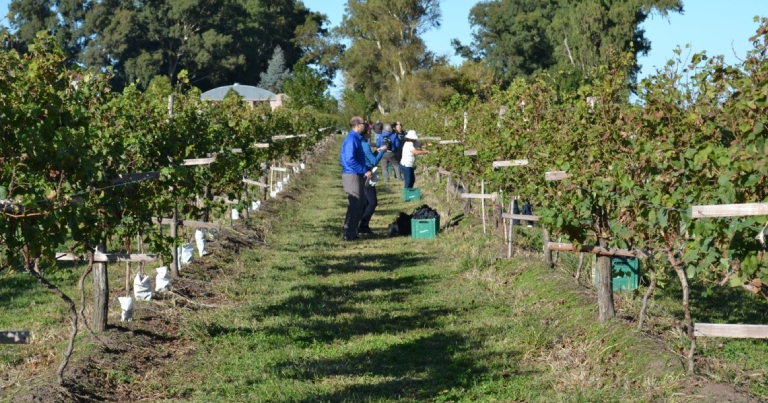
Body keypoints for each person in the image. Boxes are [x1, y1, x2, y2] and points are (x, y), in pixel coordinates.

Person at [340, 116, 373, 241]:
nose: (366, 126)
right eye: (364, 123)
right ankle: (349, 233)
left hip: (356, 174)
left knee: (361, 203)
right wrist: (364, 170)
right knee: (355, 204)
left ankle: (352, 231)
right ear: (357, 125)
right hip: (352, 175)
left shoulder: (356, 139)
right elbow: (349, 159)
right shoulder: (351, 139)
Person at [359, 126, 388, 235]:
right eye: (369, 130)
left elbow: (369, 157)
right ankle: (363, 225)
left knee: (366, 202)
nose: (371, 132)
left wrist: (377, 151)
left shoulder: (361, 143)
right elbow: (374, 161)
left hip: (363, 173)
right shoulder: (365, 144)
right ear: (365, 132)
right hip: (367, 174)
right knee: (372, 202)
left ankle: (362, 225)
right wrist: (382, 151)